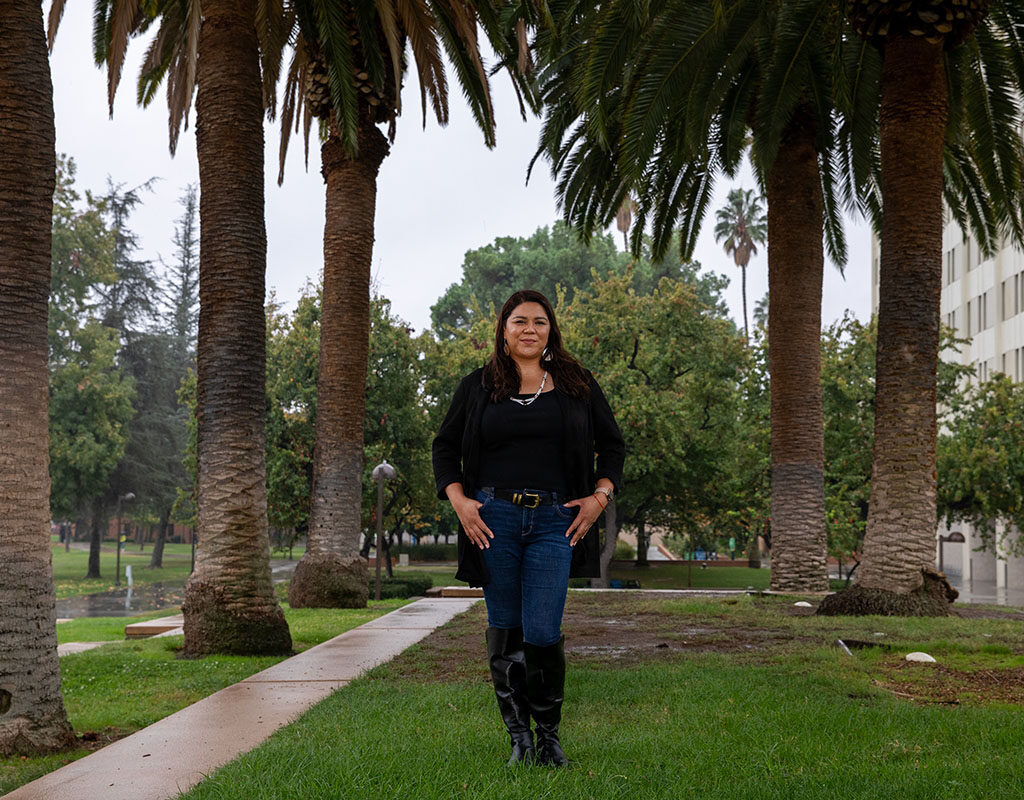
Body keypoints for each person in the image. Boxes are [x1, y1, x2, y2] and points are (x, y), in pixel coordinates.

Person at [432, 289, 625, 767]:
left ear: (550, 331)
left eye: (539, 322)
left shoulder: (577, 384)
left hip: (556, 522)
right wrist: (460, 502)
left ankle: (549, 738)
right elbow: (444, 447)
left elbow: (613, 447)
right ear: (503, 329)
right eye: (519, 321)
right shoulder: (477, 387)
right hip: (491, 520)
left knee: (542, 630)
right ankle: (519, 738)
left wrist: (599, 499)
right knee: (505, 626)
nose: (529, 329)